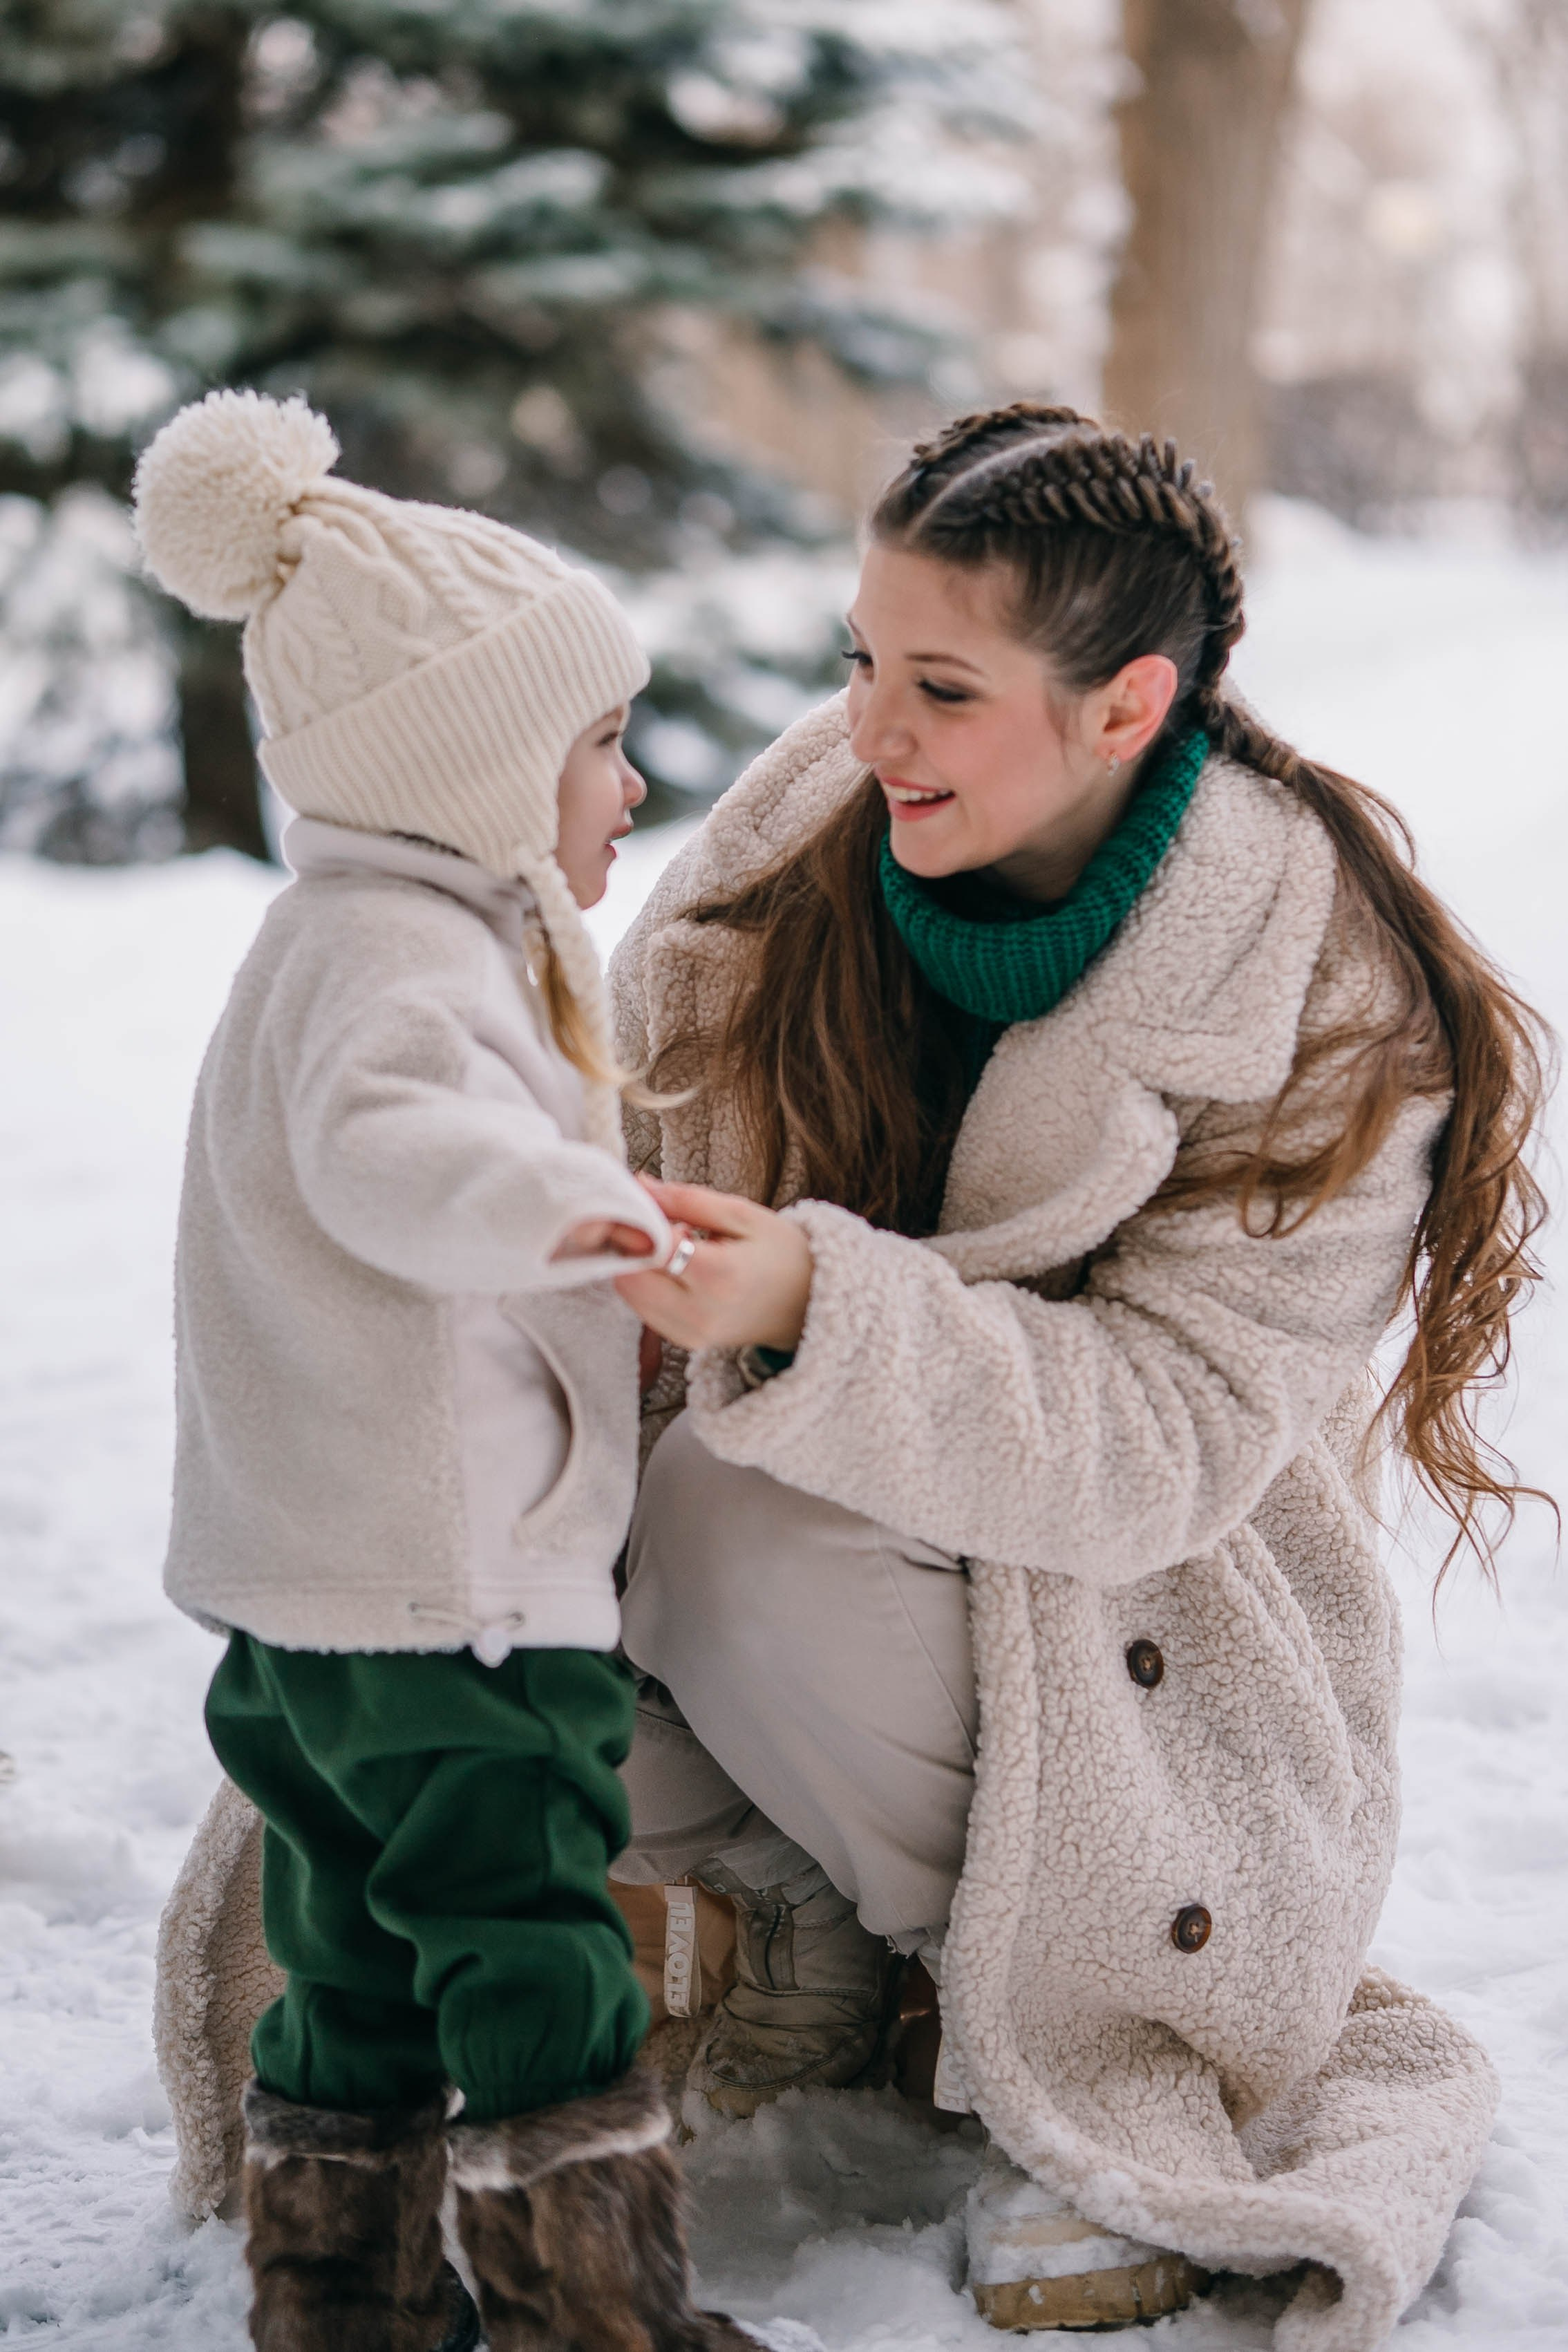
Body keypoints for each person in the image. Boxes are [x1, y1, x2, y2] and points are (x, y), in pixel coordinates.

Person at [605, 404, 1547, 2342]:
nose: (874, 732)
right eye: (862, 661)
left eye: (943, 687)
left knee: (733, 1515)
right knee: (473, 1646)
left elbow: (1170, 1437)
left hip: (1154, 1616)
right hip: (820, 1554)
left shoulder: (1322, 990)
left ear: (1127, 708)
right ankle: (789, 1919)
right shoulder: (786, 860)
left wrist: (812, 1303)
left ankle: (1059, 2007)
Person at [134, 390, 746, 2352]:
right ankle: (600, 2316)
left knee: (353, 1953)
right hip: (450, 1598)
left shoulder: (335, 937)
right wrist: (561, 1205)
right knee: (530, 1943)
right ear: (473, 768)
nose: (630, 787)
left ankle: (348, 2294)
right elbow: (395, 1161)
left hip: (307, 1602)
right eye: (595, 747)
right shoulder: (403, 962)